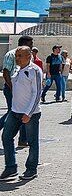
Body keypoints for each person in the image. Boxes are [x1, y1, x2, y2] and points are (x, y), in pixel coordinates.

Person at [0, 46, 42, 181]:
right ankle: (11, 168)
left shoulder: (34, 70)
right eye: (16, 55)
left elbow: (37, 94)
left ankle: (31, 169)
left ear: (28, 57)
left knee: (32, 142)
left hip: (30, 114)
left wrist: (28, 113)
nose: (16, 58)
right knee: (6, 137)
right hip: (15, 112)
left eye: (20, 56)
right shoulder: (17, 69)